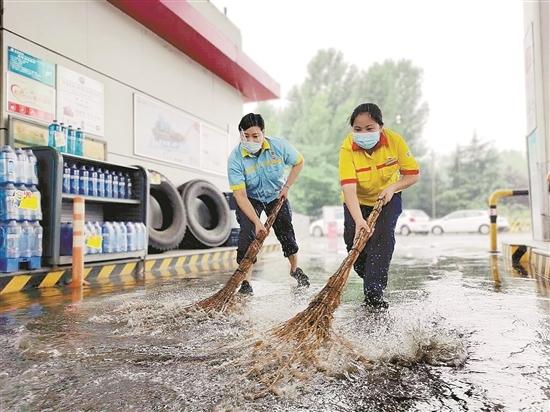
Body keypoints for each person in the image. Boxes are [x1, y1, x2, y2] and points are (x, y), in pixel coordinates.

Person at [339, 103, 420, 308]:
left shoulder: (395, 141)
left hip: (388, 198)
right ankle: (370, 277)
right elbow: (348, 188)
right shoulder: (347, 147)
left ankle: (374, 296)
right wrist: (358, 220)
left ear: (380, 126)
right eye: (357, 129)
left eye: (369, 128)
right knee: (353, 241)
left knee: (382, 239)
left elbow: (412, 175)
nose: (363, 133)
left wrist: (393, 187)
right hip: (357, 200)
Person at [227, 113, 310, 294]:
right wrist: (257, 223)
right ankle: (246, 282)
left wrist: (287, 186)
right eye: (246, 136)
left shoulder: (278, 146)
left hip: (275, 195)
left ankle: (295, 269)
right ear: (240, 134)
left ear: (263, 133)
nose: (250, 140)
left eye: (255, 136)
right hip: (250, 198)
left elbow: (299, 162)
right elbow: (240, 195)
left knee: (286, 231)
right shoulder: (235, 159)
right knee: (247, 235)